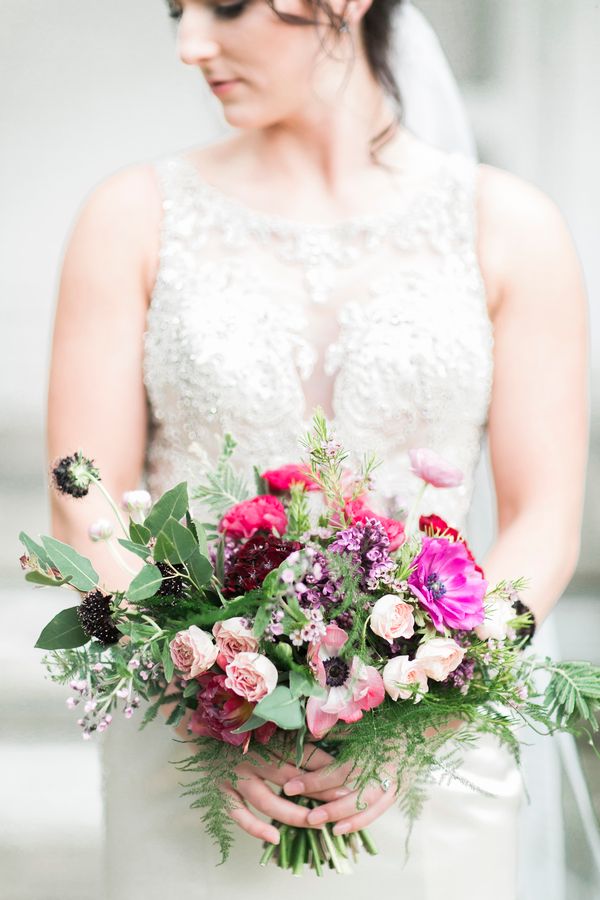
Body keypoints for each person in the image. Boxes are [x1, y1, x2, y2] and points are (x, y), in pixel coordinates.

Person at [46, 1, 590, 898]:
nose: (191, 46)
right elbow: (84, 498)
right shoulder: (131, 217)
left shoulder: (511, 227)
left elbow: (545, 521)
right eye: (177, 13)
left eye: (223, 6)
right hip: (196, 753)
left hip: (429, 754)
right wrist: (206, 701)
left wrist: (423, 704)